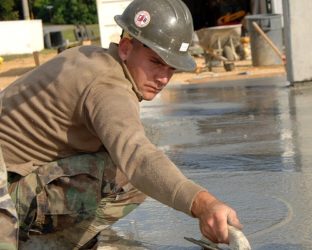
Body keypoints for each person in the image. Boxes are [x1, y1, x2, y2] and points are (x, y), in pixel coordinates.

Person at [0, 0, 242, 249]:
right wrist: (204, 204)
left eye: (172, 68)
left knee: (130, 152)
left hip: (13, 176)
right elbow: (139, 159)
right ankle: (50, 244)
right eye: (156, 62)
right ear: (126, 48)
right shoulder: (109, 88)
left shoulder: (94, 58)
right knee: (130, 173)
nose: (162, 78)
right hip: (6, 195)